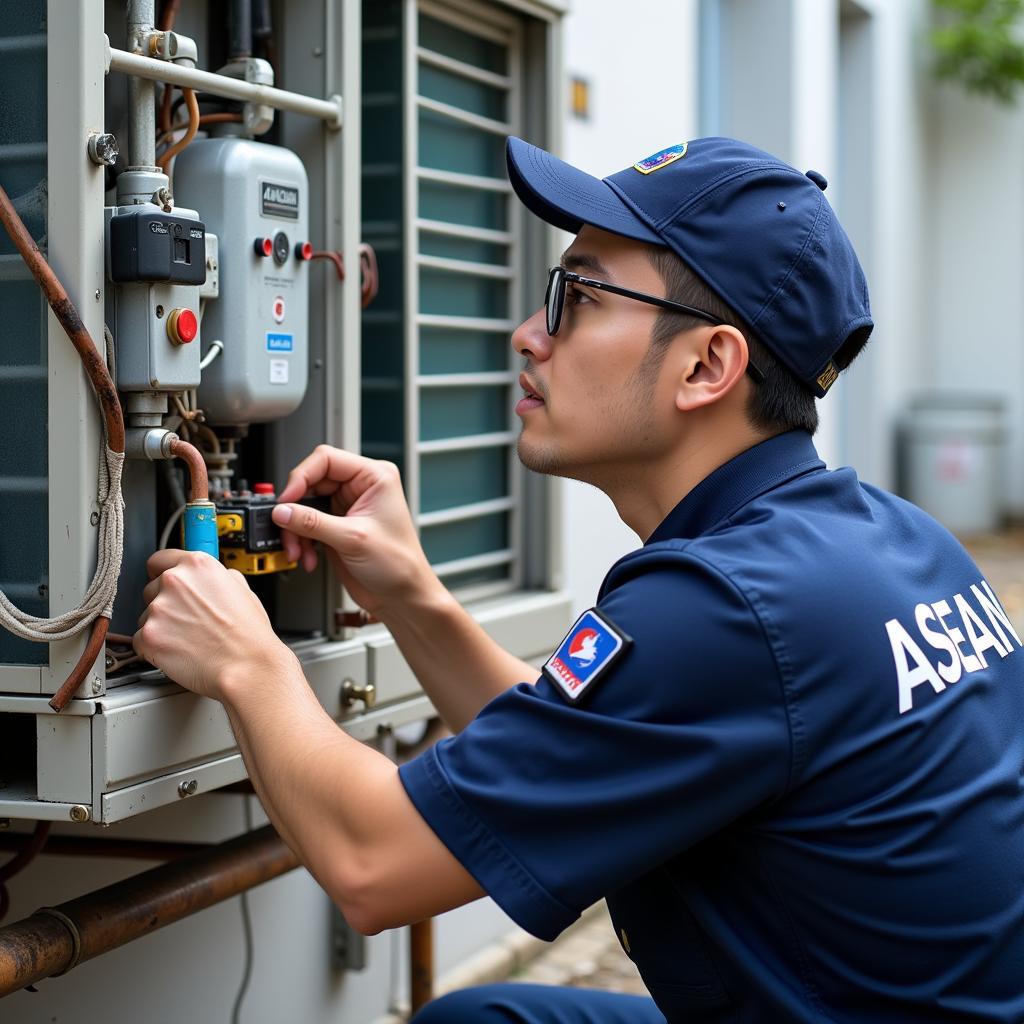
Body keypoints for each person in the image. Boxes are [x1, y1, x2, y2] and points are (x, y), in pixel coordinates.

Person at [134, 137, 1024, 1024]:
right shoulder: (893, 540)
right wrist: (410, 593)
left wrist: (247, 661)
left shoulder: (729, 608)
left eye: (579, 297)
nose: (528, 333)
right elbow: (599, 740)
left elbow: (373, 864)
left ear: (708, 366)